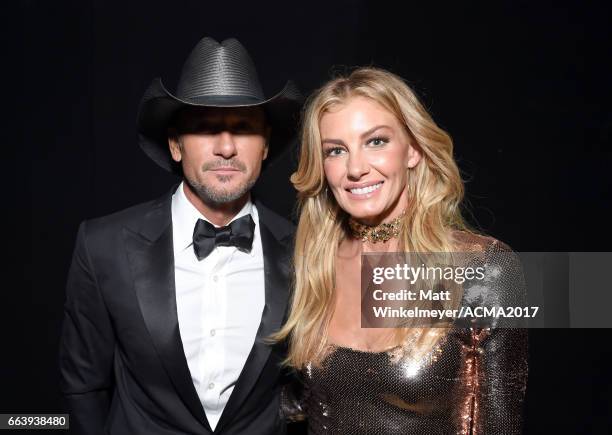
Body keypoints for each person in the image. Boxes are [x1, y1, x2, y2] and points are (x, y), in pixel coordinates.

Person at [59, 37, 302, 435]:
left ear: (265, 145)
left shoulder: (306, 249)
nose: (226, 147)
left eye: (243, 129)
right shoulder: (103, 245)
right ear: (175, 144)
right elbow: (82, 387)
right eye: (206, 127)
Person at [277, 67, 528, 434]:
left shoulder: (485, 268)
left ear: (412, 150)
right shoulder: (315, 266)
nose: (356, 168)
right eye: (336, 150)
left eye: (376, 141)